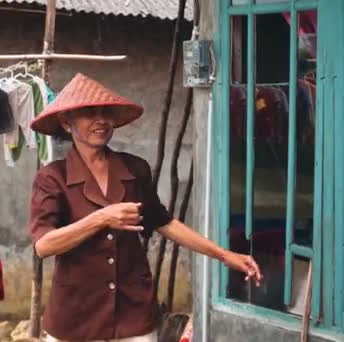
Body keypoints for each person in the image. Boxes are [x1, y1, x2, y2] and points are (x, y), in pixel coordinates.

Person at [28, 74, 263, 342]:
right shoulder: (52, 177)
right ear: (66, 124)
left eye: (106, 112)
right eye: (89, 113)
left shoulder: (134, 169)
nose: (101, 120)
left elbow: (164, 223)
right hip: (76, 316)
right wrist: (101, 218)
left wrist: (225, 255)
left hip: (133, 312)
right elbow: (44, 245)